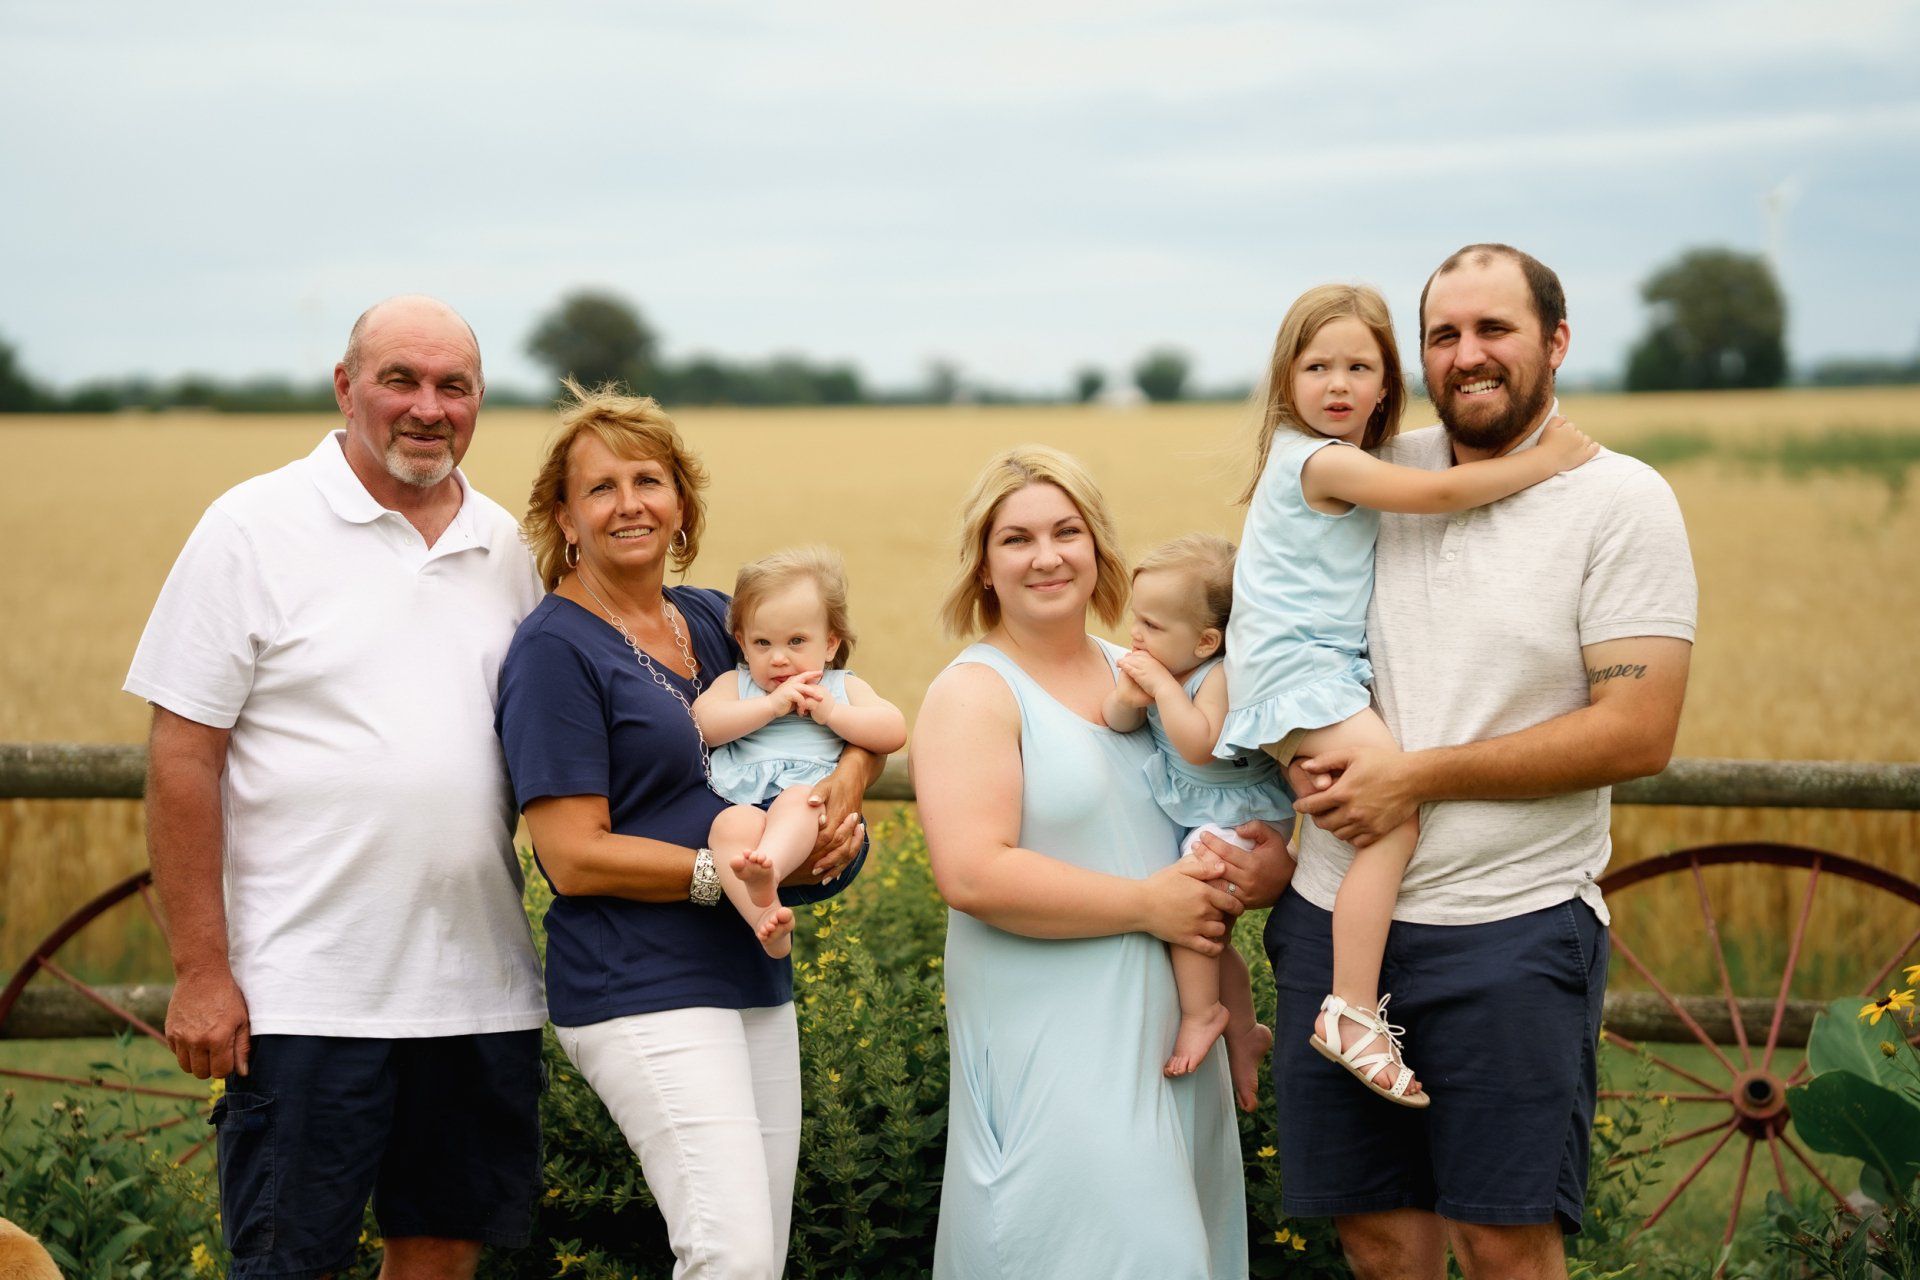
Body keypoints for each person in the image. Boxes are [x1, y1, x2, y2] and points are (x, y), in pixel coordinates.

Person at [1204, 247, 1696, 1280]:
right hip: (1334, 917)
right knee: (1378, 1239)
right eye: (1444, 334)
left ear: (1556, 341)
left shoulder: (1619, 499)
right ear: (1415, 358)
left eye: (1495, 329)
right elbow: (1259, 619)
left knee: (1505, 1244)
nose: (1467, 355)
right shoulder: (1369, 468)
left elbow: (1637, 732)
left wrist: (1413, 778)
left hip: (1508, 931)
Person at [125, 295, 548, 1278]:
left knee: (441, 1258)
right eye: (400, 378)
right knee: (286, 1261)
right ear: (345, 386)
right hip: (305, 994)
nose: (428, 406)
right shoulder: (251, 526)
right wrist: (200, 969)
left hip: (476, 992)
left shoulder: (505, 547)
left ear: (480, 399)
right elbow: (182, 754)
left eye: (455, 384)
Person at [494, 385, 880, 1280]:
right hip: (640, 981)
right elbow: (572, 856)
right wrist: (726, 876)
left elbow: (847, 717)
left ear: (682, 502)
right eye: (600, 488)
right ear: (565, 516)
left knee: (758, 1254)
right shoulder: (554, 652)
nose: (629, 504)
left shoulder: (714, 619)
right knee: (730, 1254)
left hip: (750, 970)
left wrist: (840, 802)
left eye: (650, 480)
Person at [1213, 282, 1597, 1106]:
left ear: (1388, 383)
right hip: (1302, 676)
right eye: (1317, 367)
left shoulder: (1316, 456)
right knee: (1394, 819)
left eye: (1359, 366)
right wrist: (1546, 462)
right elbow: (1442, 493)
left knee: (1370, 812)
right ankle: (1349, 1010)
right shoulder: (1323, 460)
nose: (1339, 384)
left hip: (1302, 676)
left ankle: (1349, 1000)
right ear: (1286, 384)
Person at [915, 446, 1248, 1280]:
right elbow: (973, 874)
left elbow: (1207, 812)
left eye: (1067, 531)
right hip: (1055, 1051)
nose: (1047, 555)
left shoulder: (1136, 672)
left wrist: (1251, 872)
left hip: (1172, 1040)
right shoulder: (973, 692)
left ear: (1099, 548)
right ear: (984, 567)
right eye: (1016, 538)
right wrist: (1148, 904)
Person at [1099, 533, 1291, 1107]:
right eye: (1137, 621)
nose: (1136, 636)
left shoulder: (1219, 677)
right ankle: (1244, 1031)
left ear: (1207, 640)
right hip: (1204, 815)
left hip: (1244, 816)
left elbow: (1200, 745)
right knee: (1211, 936)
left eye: (1154, 627)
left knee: (1191, 913)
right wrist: (1130, 696)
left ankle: (1203, 1012)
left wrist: (1160, 687)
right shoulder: (1164, 670)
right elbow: (1117, 722)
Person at [694, 545, 908, 958]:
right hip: (748, 806)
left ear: (829, 644)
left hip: (811, 811)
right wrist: (769, 707)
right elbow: (704, 725)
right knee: (726, 827)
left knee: (798, 800)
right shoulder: (737, 685)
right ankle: (767, 920)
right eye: (762, 643)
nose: (779, 658)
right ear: (741, 642)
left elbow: (892, 730)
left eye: (796, 641)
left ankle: (767, 867)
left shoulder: (840, 687)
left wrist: (832, 713)